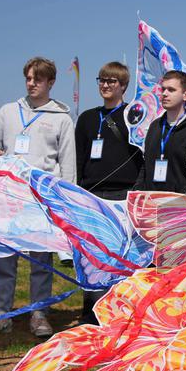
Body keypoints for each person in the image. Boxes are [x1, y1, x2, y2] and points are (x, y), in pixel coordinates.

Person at [0, 57, 76, 338]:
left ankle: (39, 313)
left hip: (41, 198)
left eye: (38, 79)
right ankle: (2, 313)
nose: (32, 84)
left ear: (50, 83)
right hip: (9, 196)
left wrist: (64, 201)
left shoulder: (61, 118)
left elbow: (67, 163)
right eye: (28, 79)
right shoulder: (7, 112)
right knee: (4, 258)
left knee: (40, 260)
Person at [75, 62, 144, 324]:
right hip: (91, 194)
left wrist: (135, 190)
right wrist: (79, 191)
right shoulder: (87, 119)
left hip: (122, 194)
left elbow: (141, 156)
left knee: (119, 254)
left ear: (123, 86)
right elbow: (79, 157)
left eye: (112, 81)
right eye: (101, 80)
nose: (105, 85)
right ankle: (90, 309)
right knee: (91, 254)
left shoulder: (133, 117)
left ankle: (118, 310)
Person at [139, 70, 186, 194]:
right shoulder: (155, 126)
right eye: (163, 89)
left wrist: (180, 199)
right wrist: (138, 192)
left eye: (171, 90)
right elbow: (145, 165)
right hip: (150, 203)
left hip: (181, 205)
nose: (164, 94)